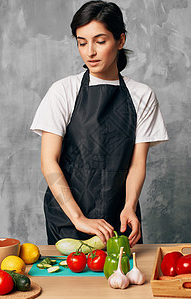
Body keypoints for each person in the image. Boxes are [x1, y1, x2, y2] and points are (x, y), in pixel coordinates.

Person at [30, 1, 168, 247]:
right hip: (67, 217)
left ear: (120, 40)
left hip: (120, 217)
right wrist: (79, 218)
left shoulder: (142, 95)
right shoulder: (63, 91)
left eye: (100, 41)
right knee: (71, 283)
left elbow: (137, 164)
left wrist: (129, 206)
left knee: (122, 281)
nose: (89, 52)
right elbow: (48, 162)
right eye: (82, 43)